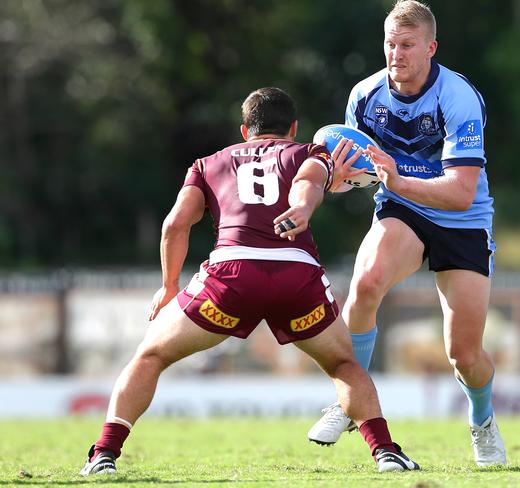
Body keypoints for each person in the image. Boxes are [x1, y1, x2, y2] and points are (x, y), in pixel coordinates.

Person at [79, 87, 419, 476]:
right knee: (345, 364)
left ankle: (103, 454)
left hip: (231, 279)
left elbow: (175, 224)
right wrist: (304, 207)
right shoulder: (311, 152)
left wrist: (169, 285)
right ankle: (385, 452)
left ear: (245, 131)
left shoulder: (207, 163)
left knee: (150, 356)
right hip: (296, 276)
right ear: (293, 128)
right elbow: (307, 181)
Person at [307, 1, 506, 466]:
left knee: (464, 355)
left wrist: (397, 179)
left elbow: (460, 193)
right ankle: (349, 400)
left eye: (408, 45)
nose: (396, 54)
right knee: (365, 283)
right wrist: (335, 179)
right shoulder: (364, 95)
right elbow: (357, 172)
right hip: (402, 209)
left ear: (431, 47)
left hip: (464, 221)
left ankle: (482, 420)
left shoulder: (458, 98)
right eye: (390, 44)